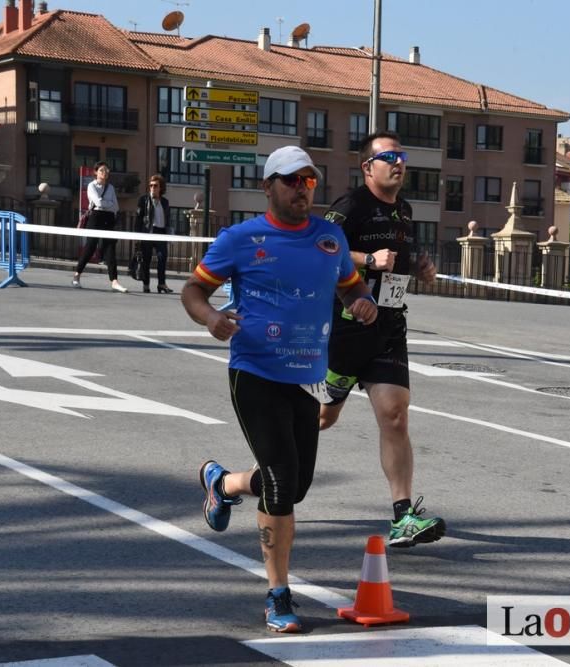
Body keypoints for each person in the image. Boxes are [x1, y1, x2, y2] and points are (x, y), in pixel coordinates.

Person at [182, 146, 377, 633]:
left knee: (295, 485)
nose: (300, 189)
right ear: (267, 186)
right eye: (291, 181)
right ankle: (278, 595)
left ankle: (221, 483)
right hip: (255, 372)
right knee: (281, 482)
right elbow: (194, 290)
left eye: (308, 181)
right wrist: (211, 319)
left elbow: (352, 287)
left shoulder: (330, 238)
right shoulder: (241, 239)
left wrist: (362, 302)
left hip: (305, 378)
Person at [319, 130, 445, 549]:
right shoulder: (350, 207)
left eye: (402, 155)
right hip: (346, 327)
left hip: (389, 327)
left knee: (395, 415)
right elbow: (319, 247)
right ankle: (238, 481)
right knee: (320, 418)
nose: (399, 162)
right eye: (389, 156)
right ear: (367, 166)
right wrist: (364, 259)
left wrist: (421, 269)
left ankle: (403, 515)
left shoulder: (404, 211)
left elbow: (399, 263)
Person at [73, 161, 127, 293]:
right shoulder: (91, 185)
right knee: (90, 247)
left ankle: (114, 281)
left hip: (109, 218)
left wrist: (105, 203)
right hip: (95, 217)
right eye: (102, 170)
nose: (105, 172)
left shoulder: (111, 188)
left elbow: (116, 207)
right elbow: (97, 202)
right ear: (96, 172)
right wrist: (107, 203)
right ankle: (77, 276)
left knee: (110, 249)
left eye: (107, 170)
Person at [135, 174, 173, 294]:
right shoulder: (144, 200)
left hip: (161, 233)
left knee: (162, 258)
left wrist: (170, 234)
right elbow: (138, 219)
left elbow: (168, 220)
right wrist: (137, 236)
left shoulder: (165, 202)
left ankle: (161, 284)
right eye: (150, 185)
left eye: (155, 186)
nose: (152, 188)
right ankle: (146, 285)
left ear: (160, 187)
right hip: (148, 232)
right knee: (146, 259)